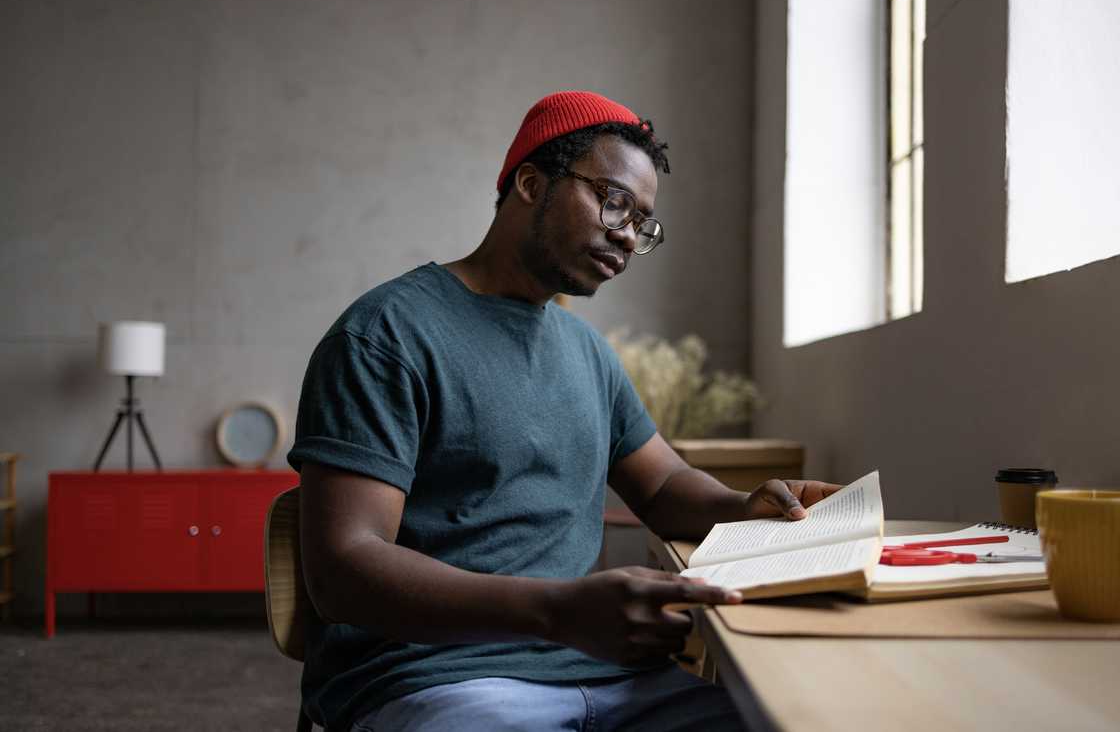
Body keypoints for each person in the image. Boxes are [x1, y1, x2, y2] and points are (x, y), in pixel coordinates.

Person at [287, 90, 841, 732]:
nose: (627, 236)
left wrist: (742, 507)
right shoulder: (387, 335)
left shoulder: (586, 351)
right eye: (614, 201)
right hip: (438, 677)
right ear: (530, 183)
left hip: (606, 674)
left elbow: (661, 483)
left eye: (642, 223)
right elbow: (343, 569)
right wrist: (555, 610)